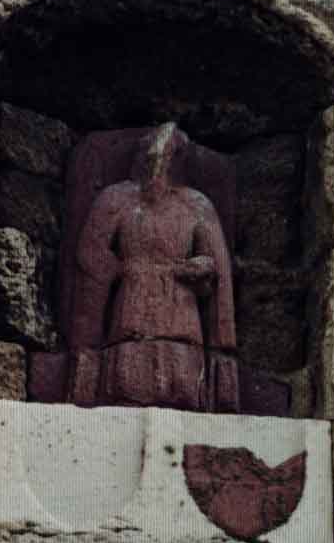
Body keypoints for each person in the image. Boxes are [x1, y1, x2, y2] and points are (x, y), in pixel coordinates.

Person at [67, 122, 238, 412]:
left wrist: (201, 270)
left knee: (182, 395)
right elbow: (91, 257)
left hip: (182, 324)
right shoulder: (116, 198)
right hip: (130, 319)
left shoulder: (197, 204)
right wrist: (86, 348)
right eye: (153, 154)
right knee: (126, 391)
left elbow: (218, 274)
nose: (159, 163)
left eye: (168, 155)